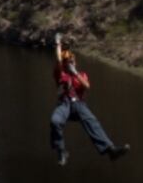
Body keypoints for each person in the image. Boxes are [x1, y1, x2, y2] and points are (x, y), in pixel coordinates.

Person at [50, 33, 129, 166]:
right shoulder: (60, 74)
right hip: (65, 104)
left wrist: (74, 72)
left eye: (72, 62)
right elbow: (58, 61)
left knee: (92, 121)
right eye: (67, 62)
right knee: (55, 121)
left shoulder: (81, 75)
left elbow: (87, 86)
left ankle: (110, 150)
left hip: (79, 105)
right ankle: (61, 151)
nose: (70, 64)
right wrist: (58, 43)